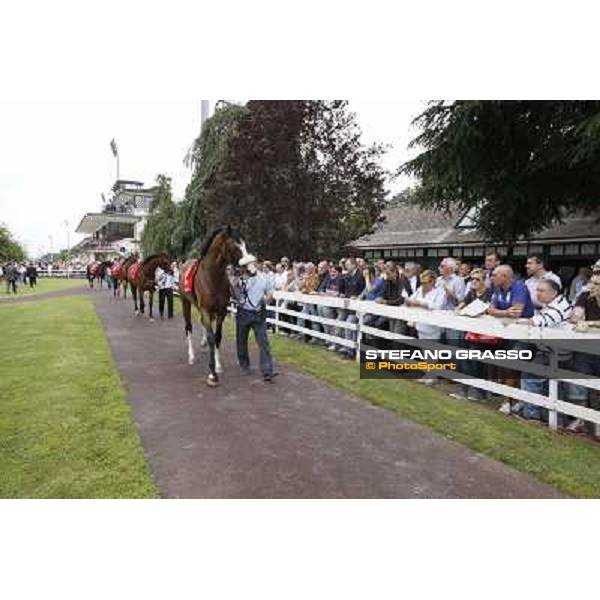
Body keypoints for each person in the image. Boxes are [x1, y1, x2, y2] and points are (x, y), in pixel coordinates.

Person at [233, 254, 277, 382]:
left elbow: (269, 293)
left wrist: (267, 299)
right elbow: (235, 295)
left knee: (263, 342)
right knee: (241, 341)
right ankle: (244, 364)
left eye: (252, 264)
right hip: (243, 312)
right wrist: (236, 285)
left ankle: (267, 371)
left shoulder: (265, 278)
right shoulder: (240, 279)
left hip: (259, 313)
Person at [405, 269, 446, 384]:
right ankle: (427, 374)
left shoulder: (440, 292)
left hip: (433, 326)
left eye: (426, 282)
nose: (423, 285)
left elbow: (437, 306)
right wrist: (409, 302)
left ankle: (433, 376)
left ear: (432, 281)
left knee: (432, 352)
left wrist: (421, 303)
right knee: (424, 351)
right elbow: (411, 299)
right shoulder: (419, 290)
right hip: (420, 324)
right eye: (422, 282)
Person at [337, 257, 365, 359]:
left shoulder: (360, 276)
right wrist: (344, 295)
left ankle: (349, 350)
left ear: (354, 265)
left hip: (359, 309)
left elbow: (364, 291)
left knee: (349, 322)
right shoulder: (347, 276)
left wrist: (357, 297)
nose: (346, 266)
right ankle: (344, 346)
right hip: (348, 306)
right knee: (341, 320)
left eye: (348, 265)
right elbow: (345, 289)